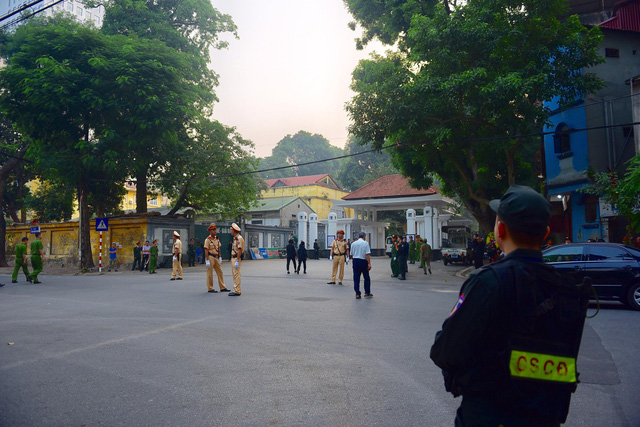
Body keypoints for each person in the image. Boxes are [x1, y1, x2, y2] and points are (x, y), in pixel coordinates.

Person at [430, 185, 591, 426]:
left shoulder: (487, 283)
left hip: (490, 415)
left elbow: (446, 351)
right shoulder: (565, 289)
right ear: (546, 233)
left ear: (500, 229)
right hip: (545, 416)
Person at [204, 223, 229, 293]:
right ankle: (210, 288)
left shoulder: (217, 239)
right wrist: (207, 260)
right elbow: (206, 249)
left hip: (216, 257)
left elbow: (219, 248)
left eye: (215, 229)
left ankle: (222, 287)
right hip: (210, 256)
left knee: (220, 272)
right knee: (210, 273)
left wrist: (220, 257)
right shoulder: (207, 240)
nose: (215, 231)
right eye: (213, 230)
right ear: (210, 231)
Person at [350, 232, 372, 299]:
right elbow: (367, 254)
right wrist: (369, 263)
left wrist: (353, 261)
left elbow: (352, 254)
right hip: (363, 261)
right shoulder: (365, 243)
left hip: (355, 260)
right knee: (366, 277)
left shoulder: (353, 243)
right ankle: (367, 292)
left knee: (356, 278)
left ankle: (357, 293)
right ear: (364, 237)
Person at [229, 223, 244, 296]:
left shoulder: (239, 238)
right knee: (235, 274)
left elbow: (240, 250)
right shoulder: (235, 238)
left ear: (234, 230)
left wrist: (237, 260)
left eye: (231, 230)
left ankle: (237, 290)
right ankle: (236, 289)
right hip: (234, 258)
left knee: (236, 274)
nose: (231, 231)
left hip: (236, 258)